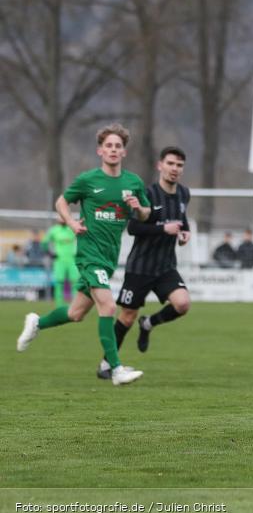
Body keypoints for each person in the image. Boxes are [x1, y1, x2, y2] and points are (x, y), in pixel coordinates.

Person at [17, 124, 150, 386]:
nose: (113, 150)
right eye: (108, 146)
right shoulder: (88, 180)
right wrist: (71, 223)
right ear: (100, 151)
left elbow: (146, 213)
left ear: (124, 152)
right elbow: (60, 202)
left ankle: (37, 322)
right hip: (90, 255)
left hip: (109, 257)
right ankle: (115, 369)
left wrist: (139, 208)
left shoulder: (133, 182)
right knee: (109, 306)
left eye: (118, 146)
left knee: (76, 313)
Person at [95, 146, 193, 378]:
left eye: (179, 165)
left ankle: (148, 323)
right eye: (170, 163)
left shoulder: (184, 194)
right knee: (127, 316)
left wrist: (184, 233)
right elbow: (134, 227)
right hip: (140, 267)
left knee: (183, 304)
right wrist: (163, 228)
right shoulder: (147, 194)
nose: (175, 169)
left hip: (166, 266)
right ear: (160, 165)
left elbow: (182, 220)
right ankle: (106, 365)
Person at [42, 219, 79, 306]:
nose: (62, 219)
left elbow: (83, 239)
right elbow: (44, 242)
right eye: (60, 217)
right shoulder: (54, 230)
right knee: (59, 282)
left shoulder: (72, 229)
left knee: (75, 282)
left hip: (72, 259)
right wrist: (49, 253)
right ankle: (59, 305)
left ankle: (76, 305)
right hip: (59, 260)